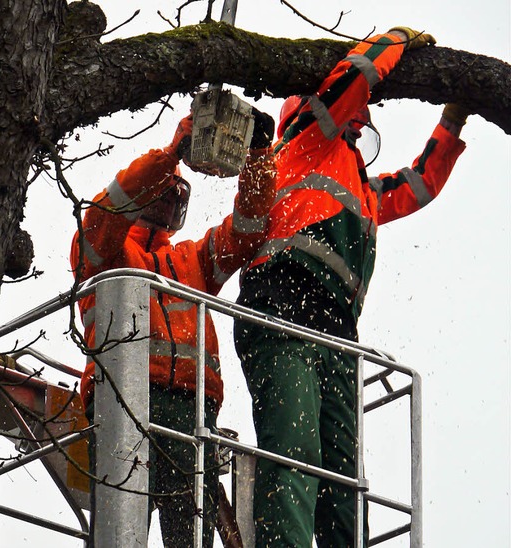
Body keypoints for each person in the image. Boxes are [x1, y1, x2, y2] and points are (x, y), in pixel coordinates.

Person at [233, 27, 469, 547]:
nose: (357, 135)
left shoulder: (360, 190)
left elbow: (418, 185)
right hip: (280, 312)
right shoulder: (303, 143)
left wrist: (453, 118)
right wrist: (396, 39)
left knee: (342, 481)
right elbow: (359, 75)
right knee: (294, 453)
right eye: (354, 127)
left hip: (334, 330)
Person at [70, 109, 276, 546]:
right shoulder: (101, 247)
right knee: (118, 532)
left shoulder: (190, 262)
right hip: (123, 402)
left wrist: (259, 153)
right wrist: (170, 155)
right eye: (161, 194)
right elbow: (106, 213)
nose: (168, 205)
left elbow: (249, 229)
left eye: (175, 197)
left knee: (191, 538)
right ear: (142, 196)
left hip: (192, 412)